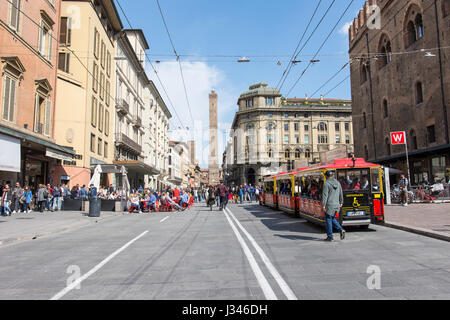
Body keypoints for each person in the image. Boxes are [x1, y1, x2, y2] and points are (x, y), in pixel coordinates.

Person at [322, 171, 345, 242]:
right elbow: (341, 192)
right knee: (332, 218)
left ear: (326, 176)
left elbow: (325, 195)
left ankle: (330, 236)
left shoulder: (326, 184)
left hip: (329, 204)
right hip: (336, 204)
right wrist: (341, 202)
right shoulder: (338, 183)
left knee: (328, 219)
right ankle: (341, 230)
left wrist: (323, 205)